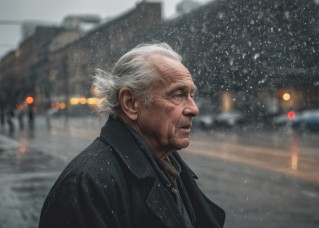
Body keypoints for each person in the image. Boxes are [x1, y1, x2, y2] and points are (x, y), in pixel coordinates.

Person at [39, 43, 225, 228]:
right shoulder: (83, 188)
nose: (194, 109)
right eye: (178, 94)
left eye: (192, 95)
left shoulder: (169, 167)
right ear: (131, 103)